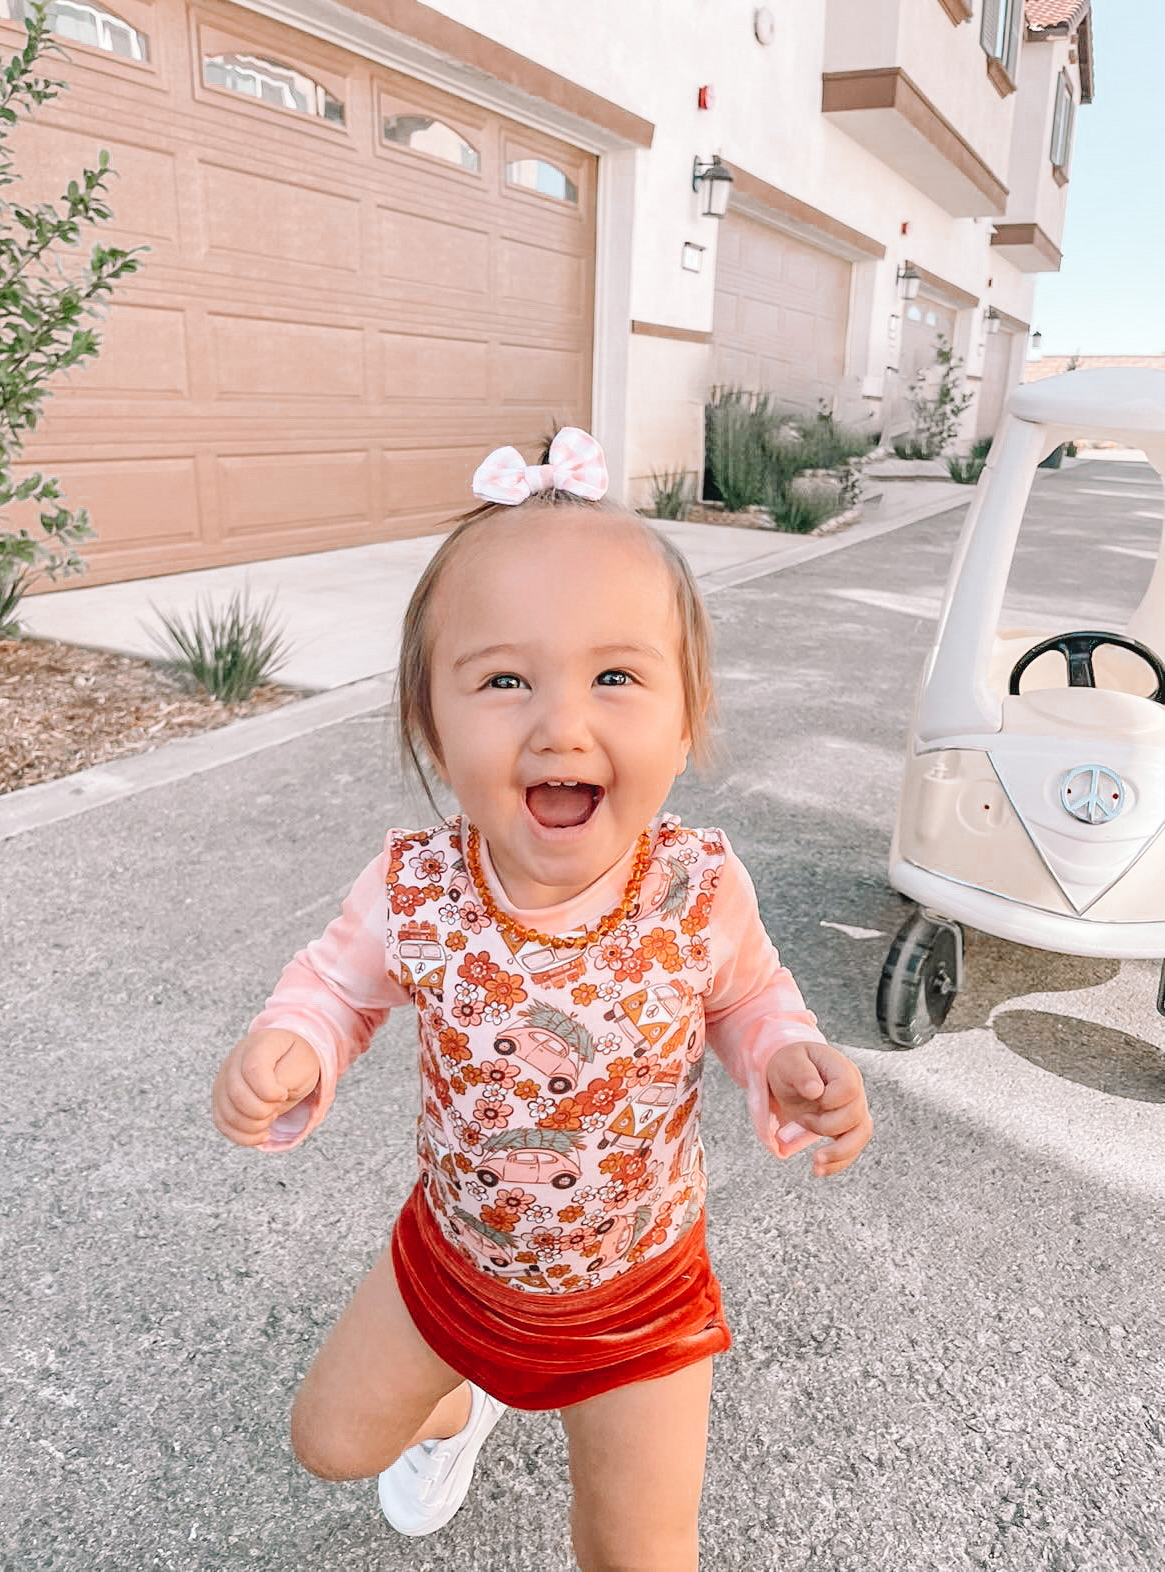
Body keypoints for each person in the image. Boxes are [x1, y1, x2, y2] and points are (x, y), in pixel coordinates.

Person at [211, 427, 873, 1571]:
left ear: (684, 716)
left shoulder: (695, 888)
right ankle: (459, 1408)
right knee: (328, 1443)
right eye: (504, 679)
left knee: (638, 1554)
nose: (560, 723)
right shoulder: (415, 886)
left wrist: (784, 1056)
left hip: (639, 1287)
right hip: (453, 1261)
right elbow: (336, 985)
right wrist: (295, 1041)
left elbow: (747, 995)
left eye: (614, 676)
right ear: (431, 720)